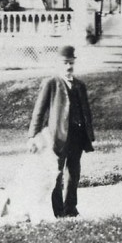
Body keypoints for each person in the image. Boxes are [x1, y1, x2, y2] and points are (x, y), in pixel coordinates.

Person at [28, 45, 95, 218]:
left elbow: (86, 112)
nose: (68, 66)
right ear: (59, 64)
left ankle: (70, 209)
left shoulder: (80, 85)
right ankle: (58, 212)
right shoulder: (52, 84)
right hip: (57, 138)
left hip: (77, 137)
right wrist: (32, 136)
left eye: (71, 62)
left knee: (74, 173)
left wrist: (89, 134)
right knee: (56, 174)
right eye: (65, 63)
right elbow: (39, 111)